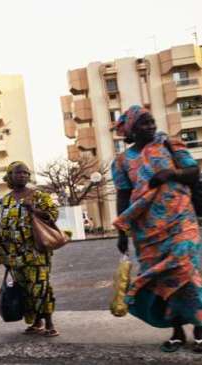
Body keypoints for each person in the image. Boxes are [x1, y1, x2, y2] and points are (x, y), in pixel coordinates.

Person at [111, 105, 202, 353]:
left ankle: (200, 329)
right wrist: (122, 231)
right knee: (164, 278)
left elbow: (194, 172)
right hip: (146, 230)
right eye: (143, 123)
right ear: (131, 129)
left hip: (182, 219)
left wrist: (169, 174)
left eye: (152, 122)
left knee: (185, 267)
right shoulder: (121, 161)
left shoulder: (169, 144)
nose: (150, 127)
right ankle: (177, 333)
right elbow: (123, 196)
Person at [0, 161, 60, 337]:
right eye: (18, 173)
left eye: (25, 173)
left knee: (41, 287)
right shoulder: (6, 199)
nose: (23, 175)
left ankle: (49, 323)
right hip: (15, 255)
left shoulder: (39, 196)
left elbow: (53, 216)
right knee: (24, 290)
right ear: (10, 176)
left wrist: (35, 210)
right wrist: (4, 255)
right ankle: (36, 322)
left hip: (36, 252)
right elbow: (3, 226)